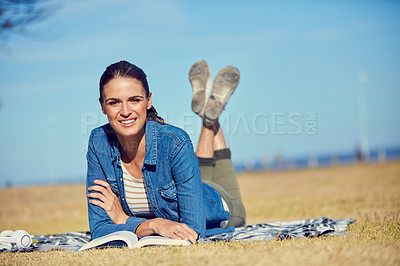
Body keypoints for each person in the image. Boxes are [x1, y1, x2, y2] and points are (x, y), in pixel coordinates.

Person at [86, 60, 246, 244]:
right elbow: (98, 229)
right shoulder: (98, 142)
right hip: (192, 185)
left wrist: (123, 220)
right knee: (198, 178)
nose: (125, 111)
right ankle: (210, 117)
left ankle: (209, 121)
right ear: (102, 106)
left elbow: (193, 231)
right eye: (114, 103)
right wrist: (154, 225)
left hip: (221, 205)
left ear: (149, 100)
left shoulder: (175, 141)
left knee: (215, 189)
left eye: (134, 100)